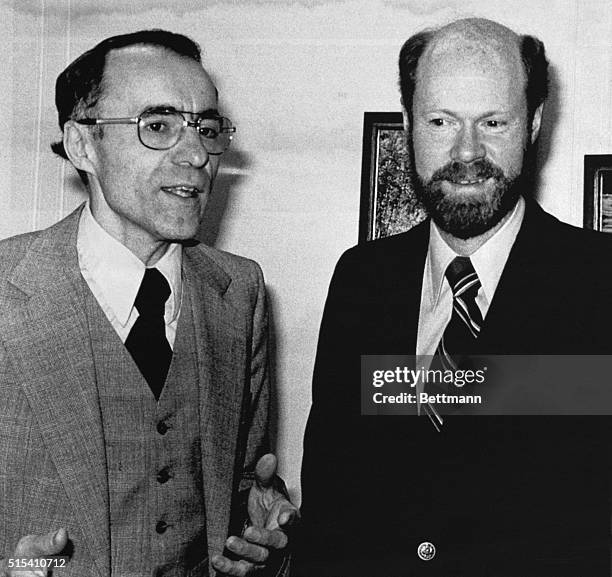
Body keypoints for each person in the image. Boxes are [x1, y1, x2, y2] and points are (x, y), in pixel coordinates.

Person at [297, 18, 612, 577]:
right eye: (440, 120)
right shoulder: (360, 281)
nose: (467, 152)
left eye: (493, 121)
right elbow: (333, 496)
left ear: (534, 123)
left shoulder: (600, 282)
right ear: (408, 125)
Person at [0, 30, 297, 577]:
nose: (196, 156)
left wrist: (264, 525)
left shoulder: (240, 292)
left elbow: (246, 482)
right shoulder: (4, 292)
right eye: (158, 127)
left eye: (206, 130)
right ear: (82, 145)